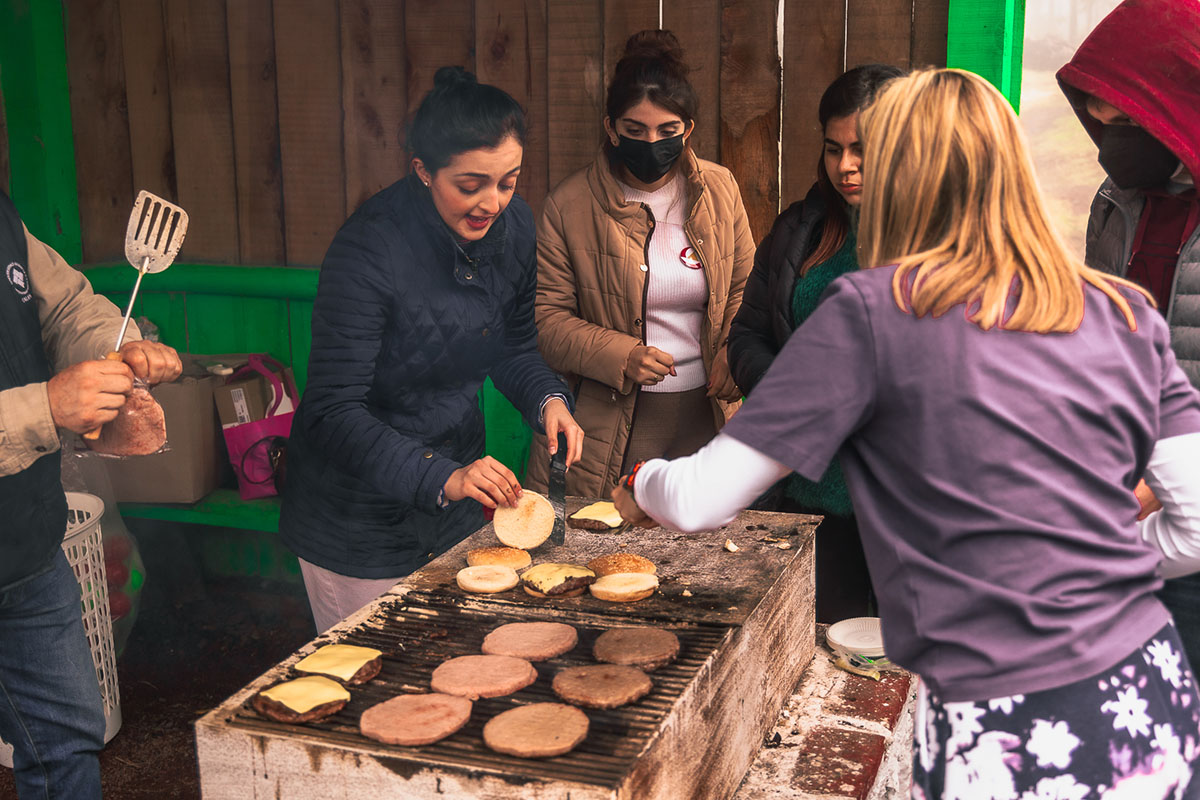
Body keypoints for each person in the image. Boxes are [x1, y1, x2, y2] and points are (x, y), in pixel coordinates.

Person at [613, 69, 1200, 798]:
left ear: (899, 179)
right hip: (1151, 699)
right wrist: (1093, 563)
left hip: (1009, 728)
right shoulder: (1123, 312)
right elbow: (1197, 526)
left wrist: (644, 480)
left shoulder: (871, 312)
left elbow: (700, 499)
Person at [279, 67, 583, 633]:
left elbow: (512, 346)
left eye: (508, 181)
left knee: (455, 664)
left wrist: (547, 400)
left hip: (454, 498)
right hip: (355, 517)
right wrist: (440, 475)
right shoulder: (368, 250)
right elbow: (332, 411)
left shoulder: (515, 228)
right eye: (470, 185)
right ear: (422, 171)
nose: (492, 203)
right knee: (373, 679)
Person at [0, 190, 182, 798]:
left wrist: (114, 343)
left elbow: (66, 309)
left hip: (26, 546)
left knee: (67, 736)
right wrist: (45, 407)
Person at [525, 29, 754, 497]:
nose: (652, 143)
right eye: (635, 131)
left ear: (688, 130)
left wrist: (735, 347)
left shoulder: (720, 188)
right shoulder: (568, 205)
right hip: (610, 425)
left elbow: (746, 287)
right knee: (609, 557)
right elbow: (546, 322)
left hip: (708, 414)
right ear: (611, 129)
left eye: (668, 132)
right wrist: (622, 355)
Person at [727, 64, 902, 623]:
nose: (845, 166)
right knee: (824, 661)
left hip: (904, 515)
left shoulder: (938, 239)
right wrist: (791, 394)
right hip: (810, 500)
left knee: (901, 677)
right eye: (833, 148)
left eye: (862, 149)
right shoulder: (800, 228)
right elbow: (748, 334)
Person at [1056, 0, 1200, 675]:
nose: (1113, 141)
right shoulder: (1118, 200)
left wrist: (1162, 473)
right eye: (1101, 119)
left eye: (1132, 121)